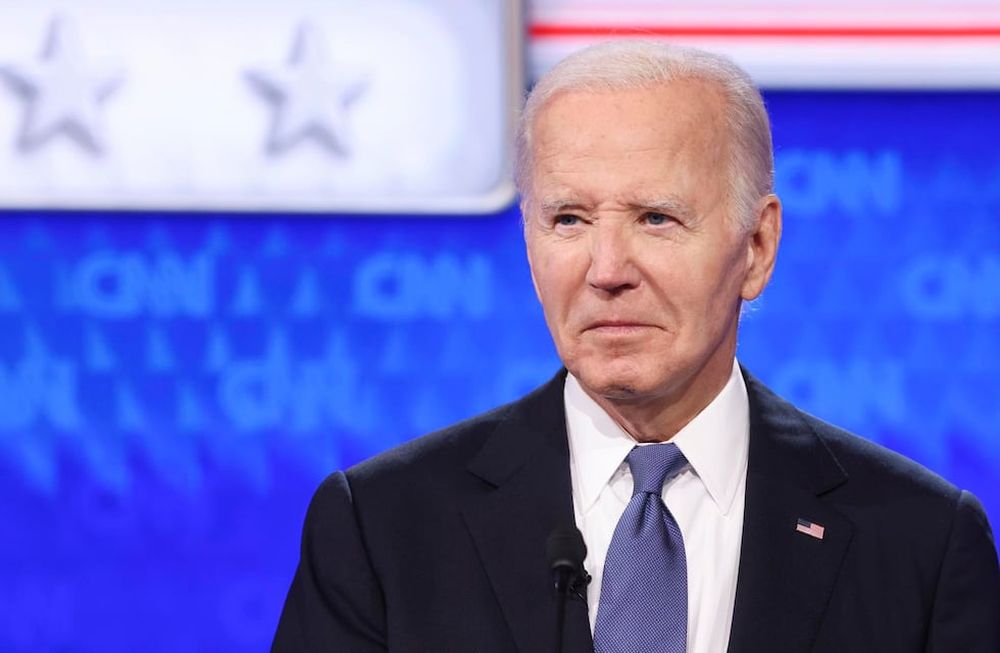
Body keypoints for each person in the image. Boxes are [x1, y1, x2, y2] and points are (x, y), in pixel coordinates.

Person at [271, 41, 1000, 652]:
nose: (607, 270)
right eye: (568, 219)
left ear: (757, 245)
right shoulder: (381, 529)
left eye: (655, 217)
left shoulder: (920, 546)